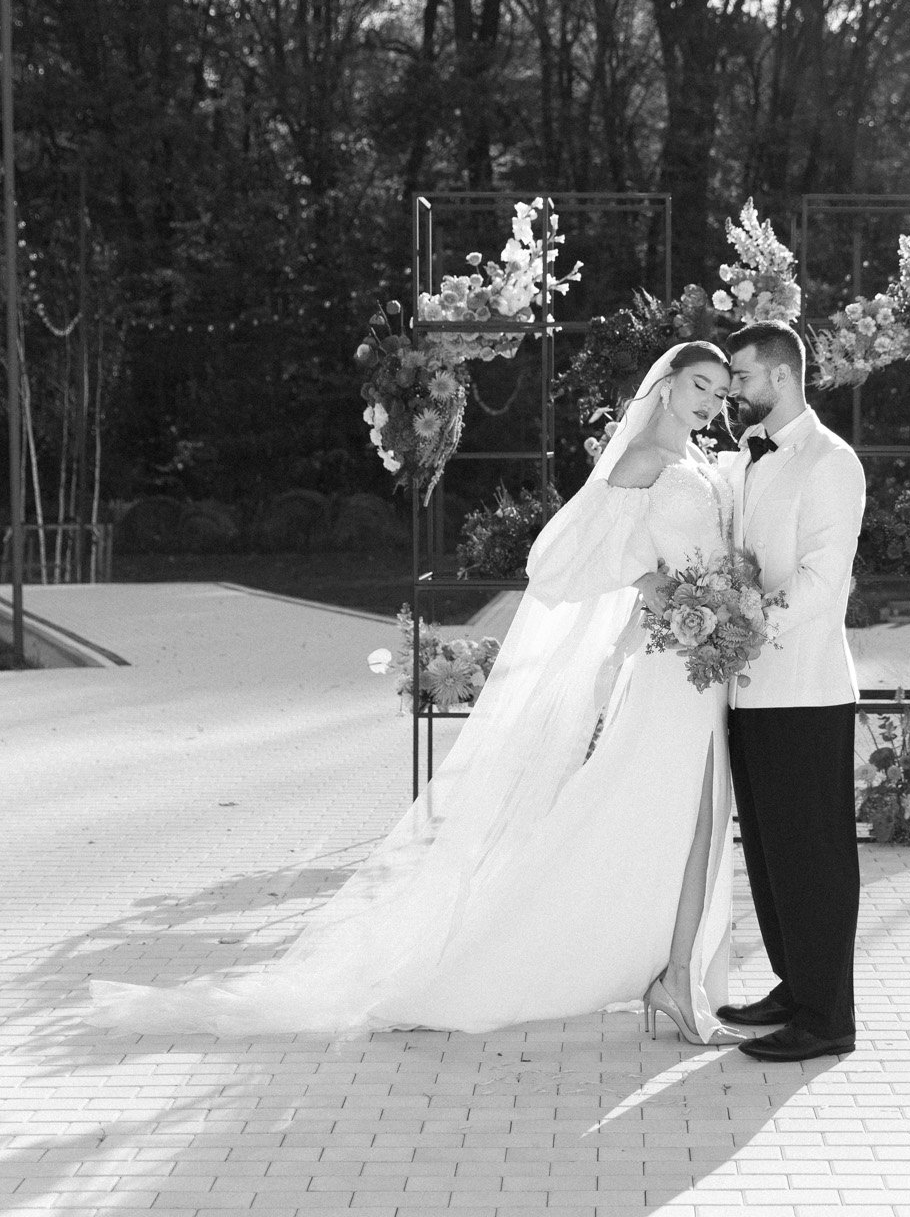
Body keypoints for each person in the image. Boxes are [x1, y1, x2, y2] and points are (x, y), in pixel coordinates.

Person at [90, 343, 743, 1044]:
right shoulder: (641, 457)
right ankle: (655, 973)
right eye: (697, 385)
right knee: (683, 816)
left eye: (718, 391)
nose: (708, 400)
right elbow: (559, 562)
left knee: (688, 820)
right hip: (672, 660)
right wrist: (657, 590)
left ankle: (670, 968)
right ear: (667, 385)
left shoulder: (699, 461)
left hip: (702, 662)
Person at [718, 321, 867, 1062]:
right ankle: (792, 984)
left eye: (740, 375)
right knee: (773, 856)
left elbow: (821, 580)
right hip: (748, 693)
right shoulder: (744, 459)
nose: (731, 389)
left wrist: (746, 622)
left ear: (779, 377)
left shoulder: (829, 461)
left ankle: (827, 1017)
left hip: (805, 688)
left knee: (814, 856)